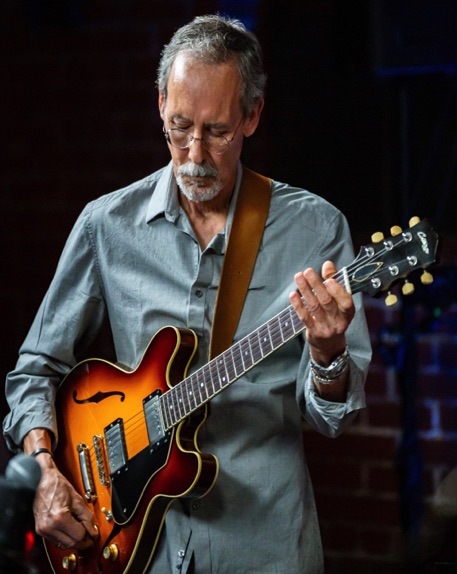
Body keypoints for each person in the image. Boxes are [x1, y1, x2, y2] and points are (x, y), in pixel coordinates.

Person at [3, 14, 371, 574]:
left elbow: (333, 418)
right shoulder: (106, 225)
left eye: (217, 132)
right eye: (179, 127)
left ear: (252, 116)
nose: (195, 154)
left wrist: (327, 355)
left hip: (264, 547)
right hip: (138, 548)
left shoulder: (315, 231)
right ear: (160, 105)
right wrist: (45, 470)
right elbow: (36, 367)